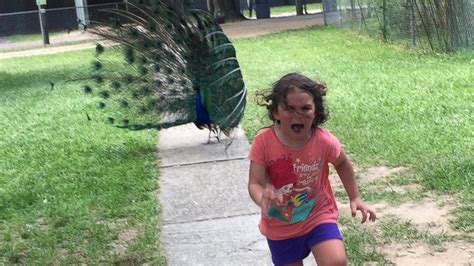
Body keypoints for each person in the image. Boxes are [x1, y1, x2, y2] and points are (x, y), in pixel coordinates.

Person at [247, 73, 376, 265]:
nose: (297, 115)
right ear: (275, 112)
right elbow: (255, 183)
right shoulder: (263, 142)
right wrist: (263, 197)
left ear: (316, 112)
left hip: (318, 216)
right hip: (280, 226)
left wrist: (354, 197)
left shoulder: (323, 140)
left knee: (336, 261)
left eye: (305, 108)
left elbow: (342, 162)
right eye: (289, 109)